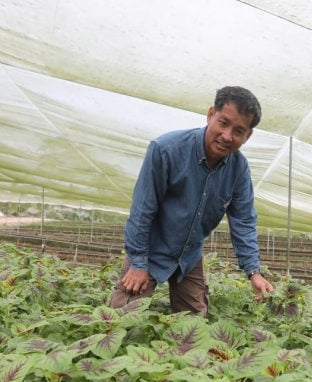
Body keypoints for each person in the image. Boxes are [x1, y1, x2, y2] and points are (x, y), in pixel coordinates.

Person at [108, 86, 274, 315]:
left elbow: (243, 221)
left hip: (189, 254)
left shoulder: (239, 169)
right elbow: (142, 211)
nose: (227, 136)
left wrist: (253, 271)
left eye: (238, 131)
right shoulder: (166, 150)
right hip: (151, 248)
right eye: (223, 123)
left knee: (193, 323)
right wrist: (138, 263)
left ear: (248, 136)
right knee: (121, 317)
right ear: (210, 114)